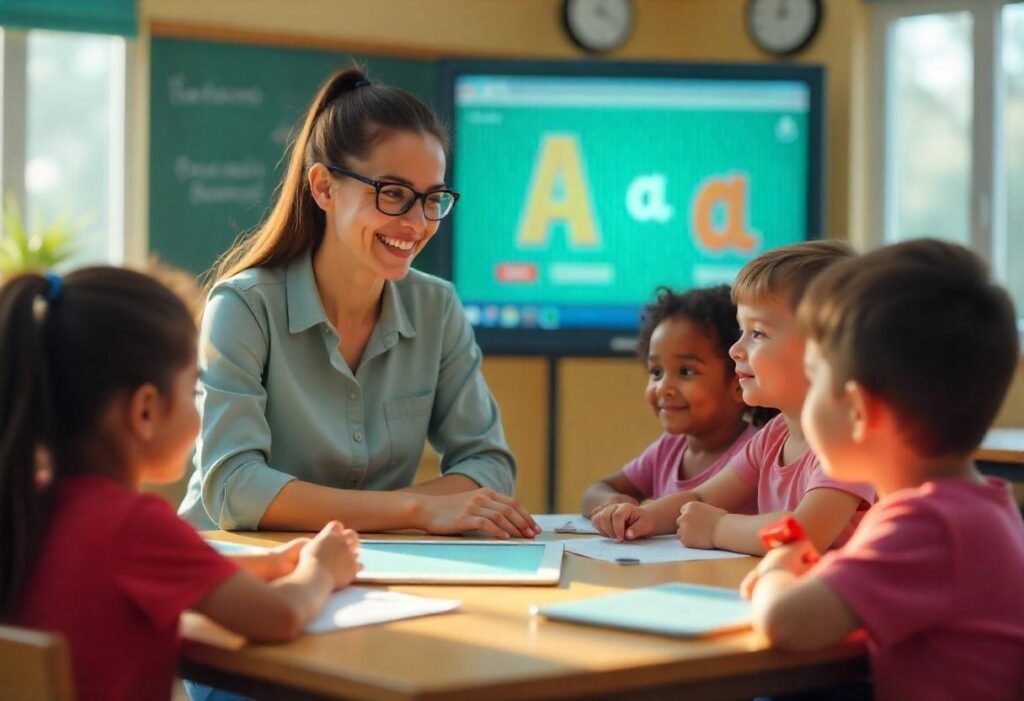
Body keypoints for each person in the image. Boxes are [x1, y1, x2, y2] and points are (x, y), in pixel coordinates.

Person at [177, 67, 538, 539]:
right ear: (324, 187)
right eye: (393, 194)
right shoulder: (243, 308)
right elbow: (235, 487)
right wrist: (414, 510)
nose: (417, 222)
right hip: (239, 574)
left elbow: (489, 466)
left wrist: (402, 512)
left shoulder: (437, 308)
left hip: (376, 569)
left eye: (433, 199)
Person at [0, 268, 361, 701]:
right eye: (194, 390)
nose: (199, 411)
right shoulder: (132, 525)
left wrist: (277, 563)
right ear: (145, 411)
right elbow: (279, 616)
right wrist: (322, 570)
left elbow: (166, 573)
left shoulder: (28, 504)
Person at [742, 239, 1024, 701]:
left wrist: (777, 568)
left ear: (857, 409)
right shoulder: (977, 507)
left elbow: (787, 623)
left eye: (815, 382)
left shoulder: (928, 524)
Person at [592, 241, 875, 555]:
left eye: (757, 333)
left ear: (822, 348)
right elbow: (701, 498)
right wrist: (647, 517)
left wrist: (717, 528)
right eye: (741, 331)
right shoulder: (774, 435)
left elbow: (803, 533)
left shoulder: (846, 444)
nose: (735, 350)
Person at [580, 285, 757, 517]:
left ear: (738, 382)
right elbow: (594, 492)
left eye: (686, 371)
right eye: (656, 372)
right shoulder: (669, 448)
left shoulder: (758, 451)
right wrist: (612, 501)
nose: (663, 387)